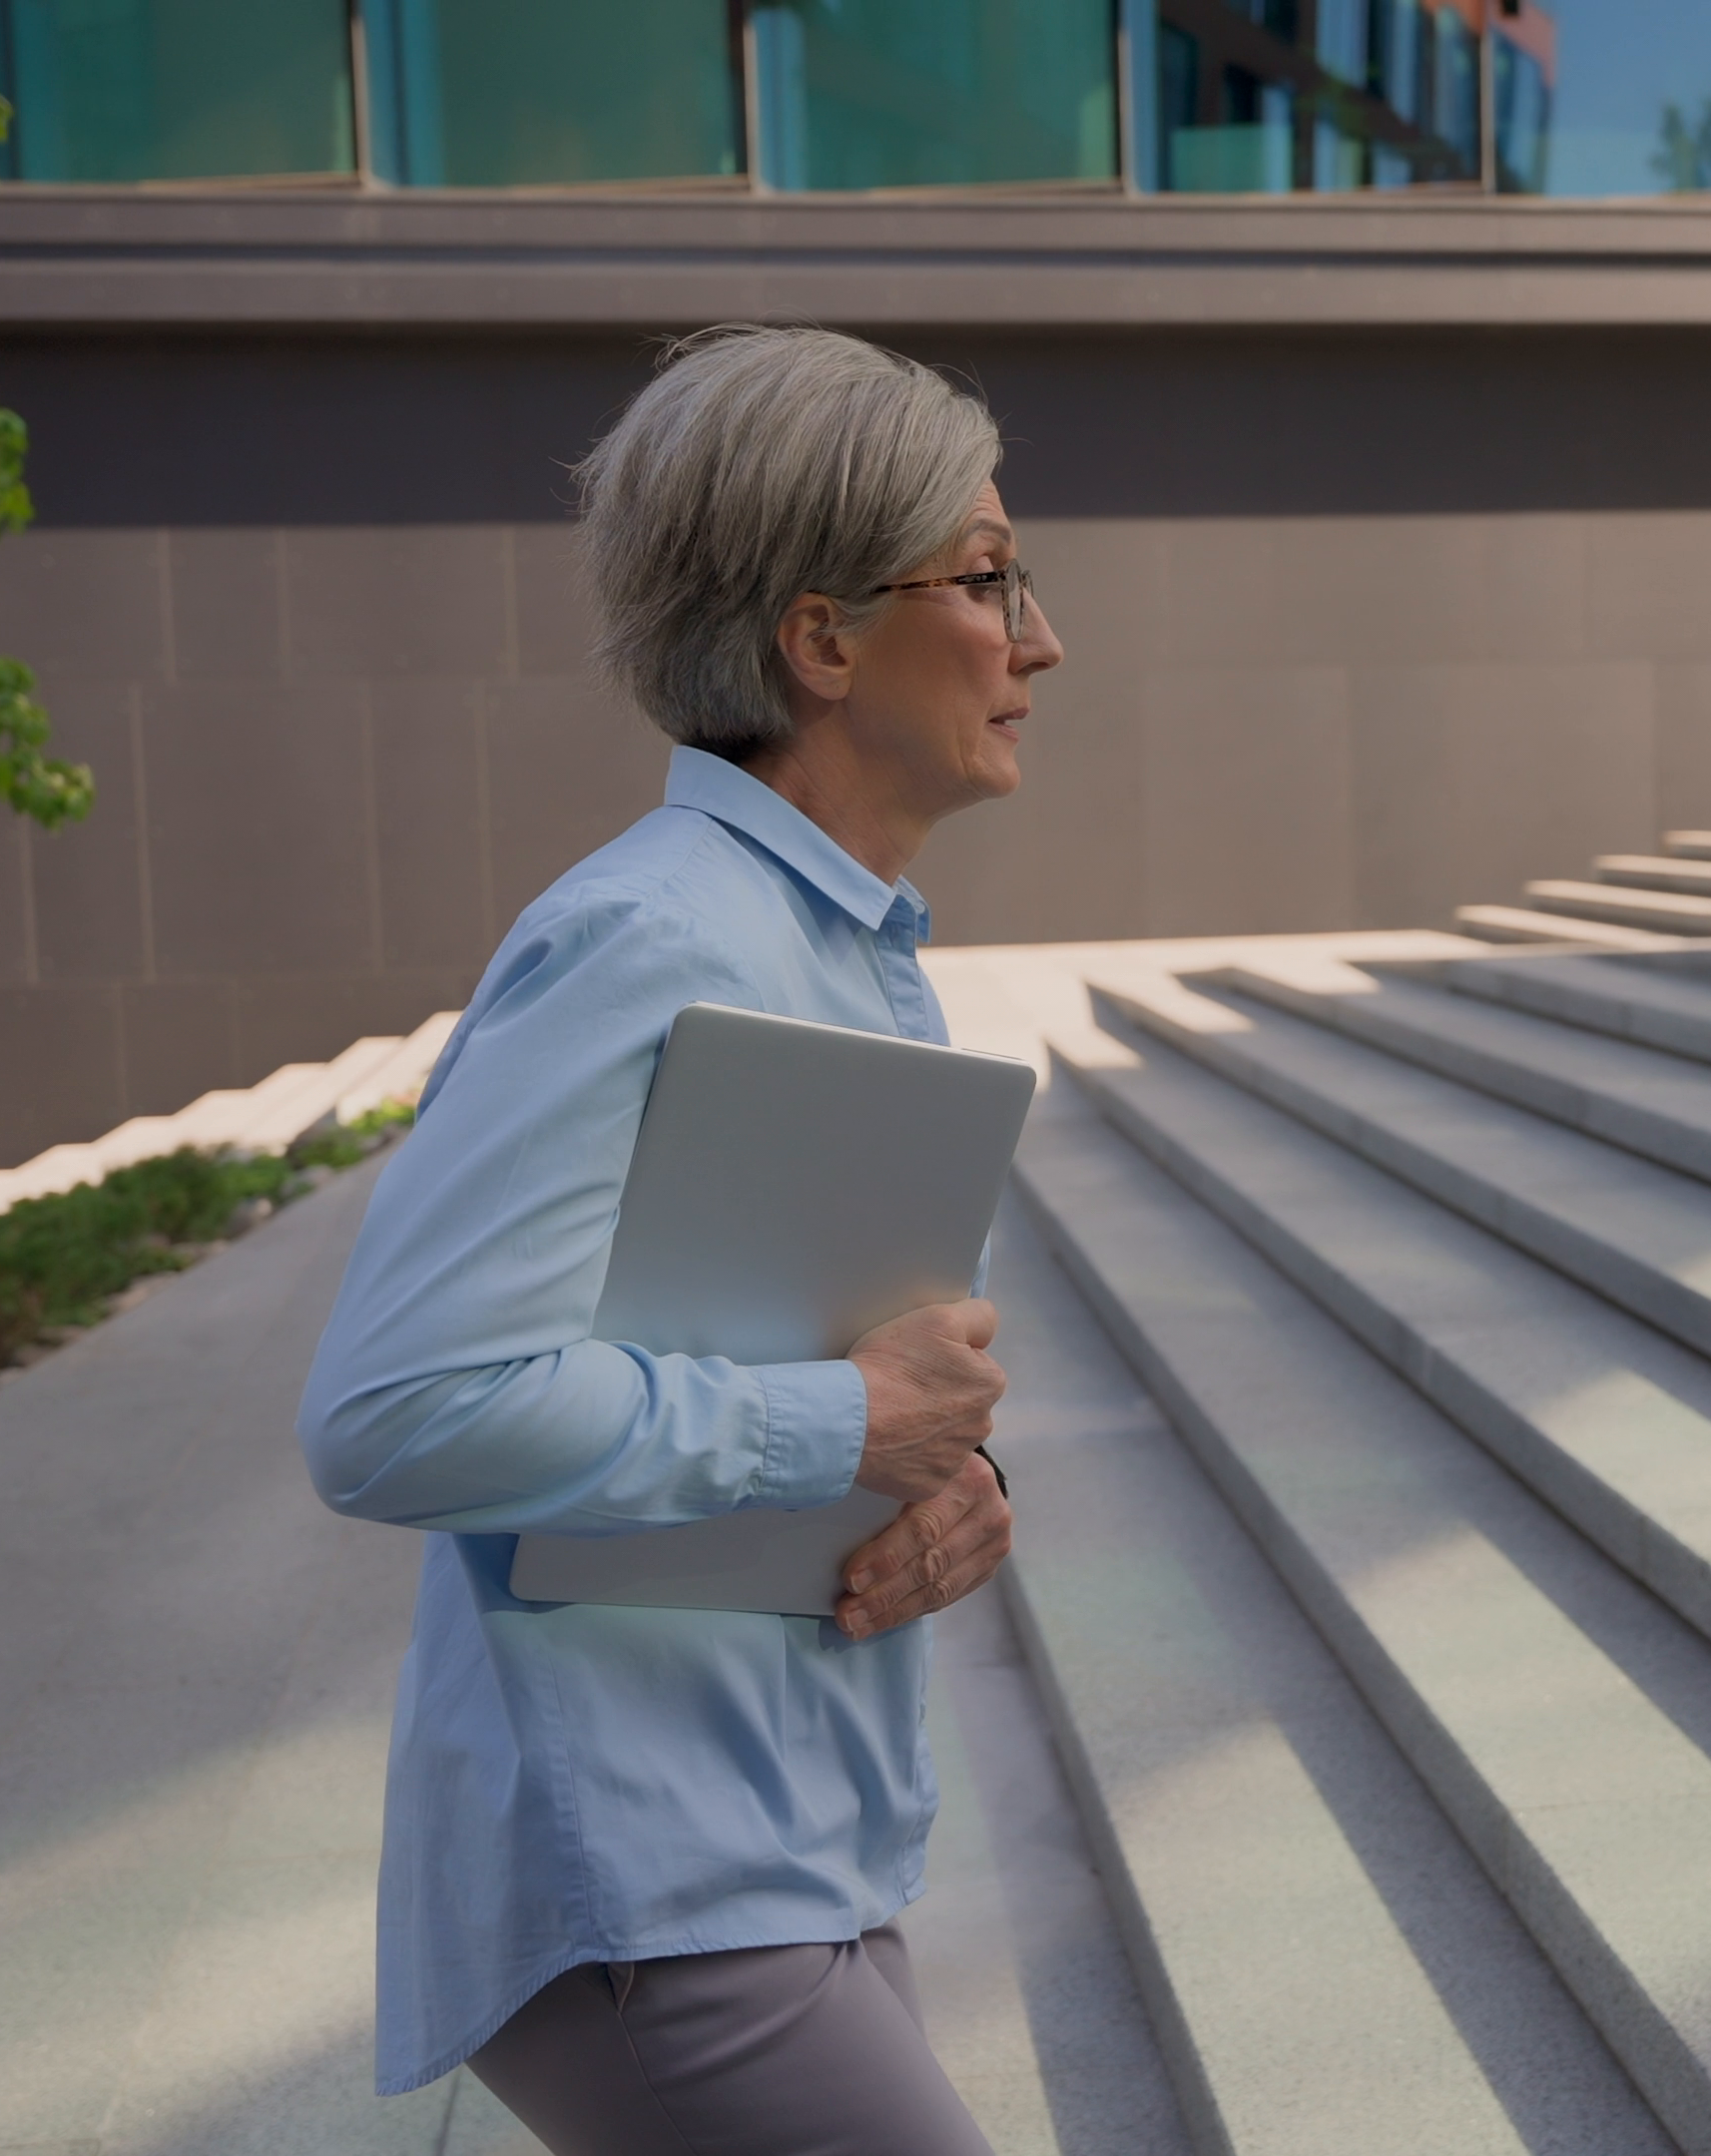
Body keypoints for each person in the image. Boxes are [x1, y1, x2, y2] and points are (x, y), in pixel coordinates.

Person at [295, 323, 1062, 2155]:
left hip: (791, 1854)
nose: (1040, 636)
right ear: (821, 640)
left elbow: (755, 1352)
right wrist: (842, 1428)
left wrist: (945, 1485)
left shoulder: (844, 955)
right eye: (987, 576)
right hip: (654, 1888)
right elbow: (397, 1408)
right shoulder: (650, 937)